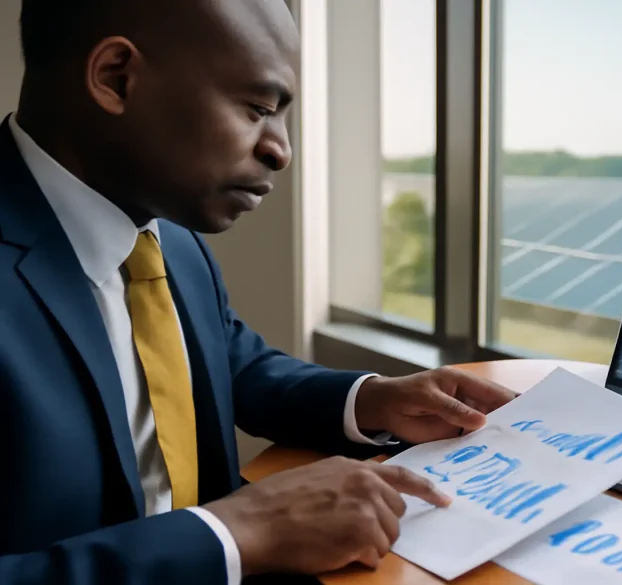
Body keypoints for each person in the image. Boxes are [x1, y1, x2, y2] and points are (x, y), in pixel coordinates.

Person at [0, 0, 516, 583]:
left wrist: (372, 400)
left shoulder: (167, 237)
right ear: (116, 78)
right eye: (258, 109)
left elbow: (234, 366)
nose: (281, 149)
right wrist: (235, 533)